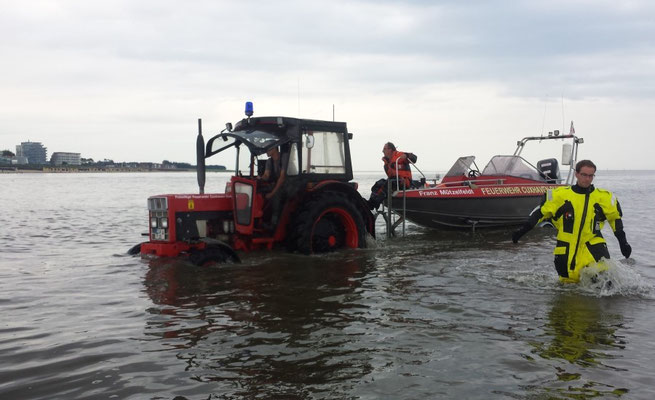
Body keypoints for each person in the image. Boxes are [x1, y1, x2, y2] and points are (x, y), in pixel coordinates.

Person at [512, 160, 632, 283]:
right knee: (568, 291)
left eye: (591, 175)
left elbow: (615, 220)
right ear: (576, 174)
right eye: (584, 175)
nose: (587, 179)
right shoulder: (560, 195)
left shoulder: (604, 198)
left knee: (605, 284)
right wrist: (521, 232)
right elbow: (540, 214)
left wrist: (623, 243)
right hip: (566, 250)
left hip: (594, 248)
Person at [368, 142, 417, 210]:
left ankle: (374, 203)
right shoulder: (386, 162)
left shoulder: (399, 155)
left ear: (390, 149)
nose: (383, 151)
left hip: (404, 182)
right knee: (378, 184)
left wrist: (406, 156)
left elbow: (414, 158)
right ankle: (370, 203)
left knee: (389, 183)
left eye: (384, 149)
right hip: (394, 181)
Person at [258, 146, 289, 226]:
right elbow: (266, 175)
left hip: (289, 183)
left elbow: (282, 178)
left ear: (274, 148)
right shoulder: (269, 161)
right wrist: (259, 179)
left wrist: (272, 193)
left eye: (267, 149)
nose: (266, 151)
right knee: (261, 191)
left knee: (276, 194)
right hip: (278, 183)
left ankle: (274, 223)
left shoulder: (284, 157)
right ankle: (261, 218)